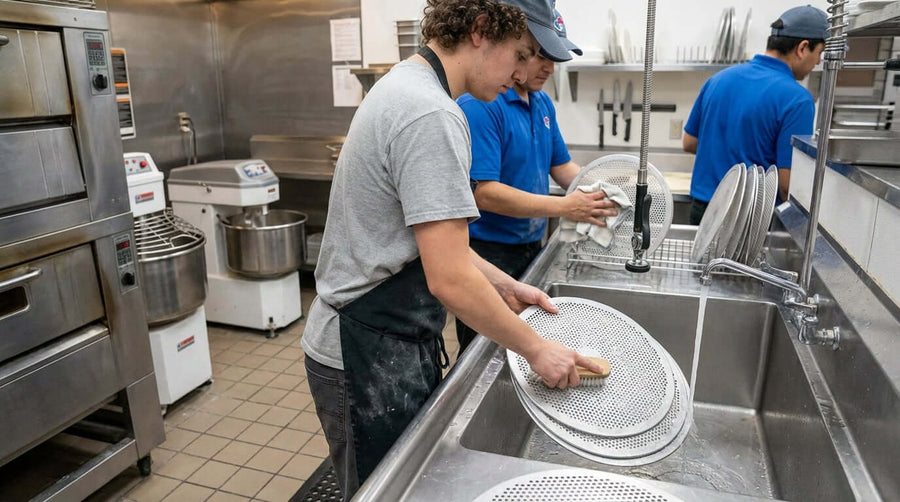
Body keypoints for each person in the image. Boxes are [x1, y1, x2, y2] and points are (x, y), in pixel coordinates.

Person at [300, 0, 604, 498]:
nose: (522, 71)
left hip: (380, 338)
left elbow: (435, 243)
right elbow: (448, 278)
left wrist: (506, 284)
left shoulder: (410, 85)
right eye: (519, 53)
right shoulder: (431, 114)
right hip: (361, 350)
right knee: (384, 492)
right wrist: (537, 350)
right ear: (482, 30)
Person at [454, 7, 619, 355]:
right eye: (540, 55)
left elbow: (562, 167)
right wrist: (565, 206)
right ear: (519, 49)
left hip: (531, 246)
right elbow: (484, 193)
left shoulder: (542, 104)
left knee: (522, 344)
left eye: (554, 60)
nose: (548, 67)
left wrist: (604, 190)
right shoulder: (483, 104)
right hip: (489, 253)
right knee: (484, 351)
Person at [683, 5, 828, 224]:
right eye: (820, 53)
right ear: (802, 48)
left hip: (703, 212)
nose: (818, 62)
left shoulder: (717, 80)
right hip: (748, 222)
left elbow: (689, 143)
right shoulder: (797, 99)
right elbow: (787, 185)